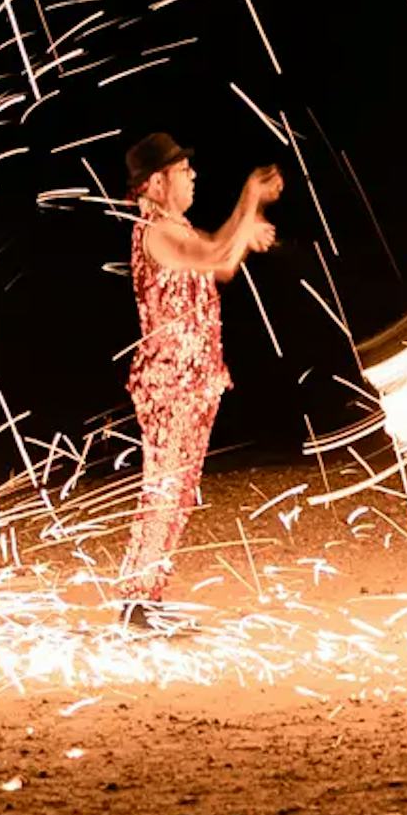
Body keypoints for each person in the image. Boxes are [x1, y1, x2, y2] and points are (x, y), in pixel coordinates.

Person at [114, 131, 280, 629]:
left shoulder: (176, 227)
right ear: (156, 182)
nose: (192, 176)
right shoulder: (156, 232)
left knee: (178, 492)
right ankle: (137, 601)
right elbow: (212, 256)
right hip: (170, 385)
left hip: (195, 381)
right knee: (164, 490)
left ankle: (149, 599)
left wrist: (246, 231)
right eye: (182, 171)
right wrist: (249, 200)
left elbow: (223, 261)